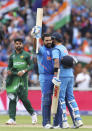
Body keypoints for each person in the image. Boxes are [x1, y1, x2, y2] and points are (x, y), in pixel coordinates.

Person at [31, 27, 62, 129]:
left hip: (55, 75)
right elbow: (35, 46)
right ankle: (46, 123)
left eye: (50, 40)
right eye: (47, 40)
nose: (49, 42)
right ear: (43, 41)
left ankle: (57, 123)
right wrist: (35, 37)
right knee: (46, 99)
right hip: (45, 77)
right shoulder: (41, 50)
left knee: (57, 100)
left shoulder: (55, 49)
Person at [51, 32, 83, 128]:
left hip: (62, 75)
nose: (51, 41)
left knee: (60, 98)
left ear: (55, 40)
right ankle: (78, 120)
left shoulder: (56, 49)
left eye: (53, 39)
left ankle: (64, 122)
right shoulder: (64, 48)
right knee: (70, 98)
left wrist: (55, 76)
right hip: (70, 75)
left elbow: (56, 62)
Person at [5, 38, 37, 125]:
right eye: (17, 43)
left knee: (23, 98)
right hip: (14, 79)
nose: (18, 45)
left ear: (22, 45)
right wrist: (8, 70)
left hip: (23, 79)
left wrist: (24, 71)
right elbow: (9, 66)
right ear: (14, 45)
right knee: (12, 98)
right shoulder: (12, 56)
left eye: (20, 43)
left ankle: (33, 114)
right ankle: (12, 119)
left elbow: (32, 65)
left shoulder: (26, 55)